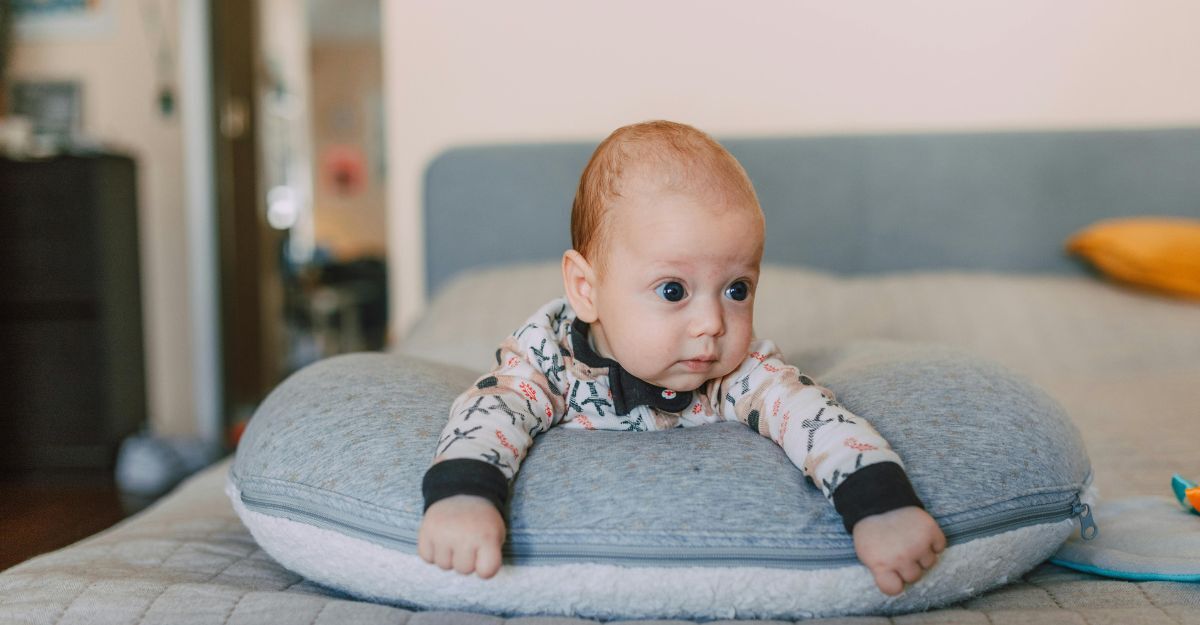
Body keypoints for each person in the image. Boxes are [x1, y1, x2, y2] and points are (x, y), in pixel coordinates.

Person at [418, 120, 946, 595]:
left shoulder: (739, 371)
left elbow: (812, 416)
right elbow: (491, 414)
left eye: (737, 289)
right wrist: (465, 494)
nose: (712, 323)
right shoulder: (547, 359)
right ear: (586, 289)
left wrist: (879, 504)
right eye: (673, 290)